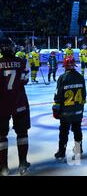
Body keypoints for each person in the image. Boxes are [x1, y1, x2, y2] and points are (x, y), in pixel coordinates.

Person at [0, 37, 31, 176]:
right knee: (22, 134)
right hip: (19, 102)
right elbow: (24, 80)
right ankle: (23, 164)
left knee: (1, 137)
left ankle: (3, 168)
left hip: (1, 104)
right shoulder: (22, 62)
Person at [52, 56, 86, 160]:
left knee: (63, 132)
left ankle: (61, 152)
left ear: (65, 66)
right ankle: (78, 150)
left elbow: (58, 96)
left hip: (65, 112)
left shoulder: (62, 78)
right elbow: (84, 94)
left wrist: (55, 110)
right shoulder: (80, 76)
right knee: (77, 130)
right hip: (78, 111)